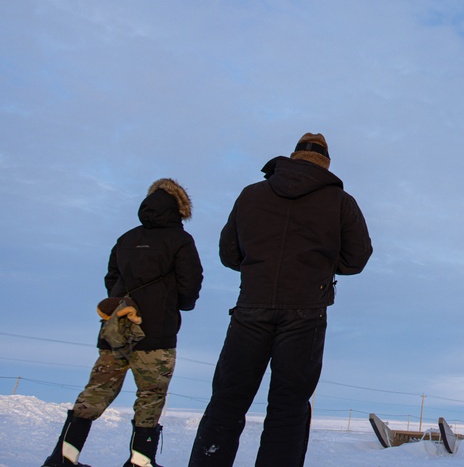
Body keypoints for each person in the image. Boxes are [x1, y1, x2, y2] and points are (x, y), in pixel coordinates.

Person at [188, 133, 373, 467]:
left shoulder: (251, 195)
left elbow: (229, 252)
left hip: (251, 307)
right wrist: (319, 267)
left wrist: (259, 269)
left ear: (292, 157)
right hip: (306, 311)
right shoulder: (341, 202)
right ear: (326, 164)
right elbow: (357, 259)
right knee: (289, 407)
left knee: (228, 400)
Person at [43, 179, 203, 467]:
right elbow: (190, 284)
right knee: (150, 396)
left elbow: (111, 279)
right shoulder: (180, 241)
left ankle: (63, 458)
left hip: (115, 328)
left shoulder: (126, 238)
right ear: (179, 209)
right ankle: (140, 463)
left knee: (96, 390)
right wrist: (176, 305)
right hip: (156, 332)